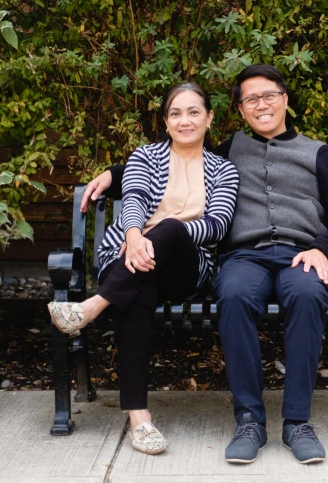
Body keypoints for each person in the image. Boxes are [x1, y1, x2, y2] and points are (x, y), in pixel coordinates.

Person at [81, 64, 328, 465]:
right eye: (251, 99)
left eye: (269, 96)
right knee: (231, 293)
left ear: (285, 100)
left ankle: (297, 422)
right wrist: (113, 174)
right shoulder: (232, 150)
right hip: (245, 256)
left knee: (305, 293)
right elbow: (182, 156)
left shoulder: (317, 153)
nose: (261, 105)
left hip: (301, 254)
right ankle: (249, 420)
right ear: (241, 109)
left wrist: (324, 248)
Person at [49, 83, 239, 455]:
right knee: (136, 292)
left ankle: (91, 307)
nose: (185, 120)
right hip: (127, 254)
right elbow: (133, 196)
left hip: (185, 267)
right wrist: (134, 234)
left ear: (209, 118)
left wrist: (157, 234)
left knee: (169, 227)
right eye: (175, 114)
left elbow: (217, 225)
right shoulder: (146, 156)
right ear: (166, 122)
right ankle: (139, 418)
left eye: (194, 112)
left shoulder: (224, 170)